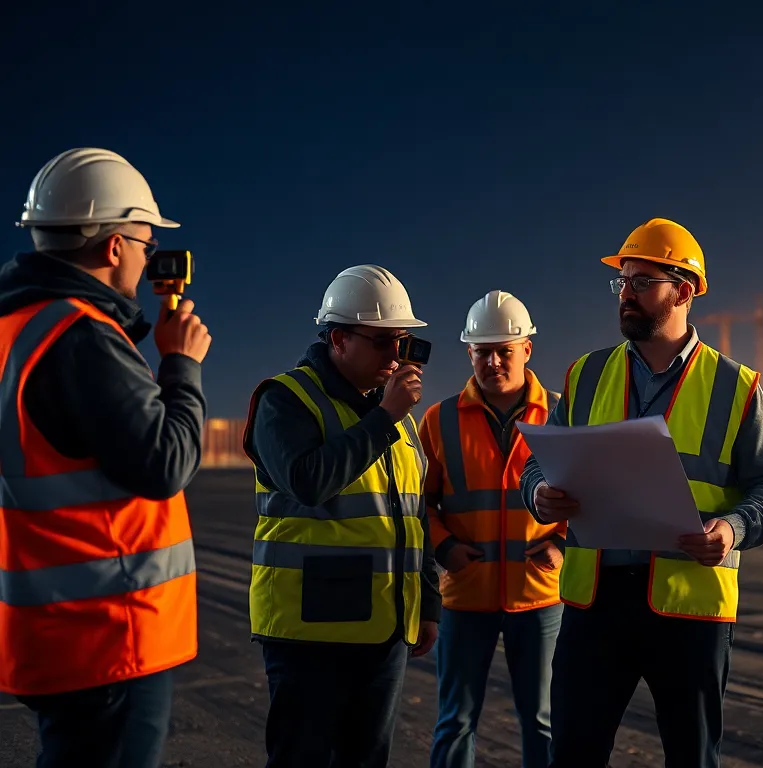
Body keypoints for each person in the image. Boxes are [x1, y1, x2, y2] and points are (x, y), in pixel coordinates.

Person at [520, 217, 763, 768]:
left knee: (691, 757)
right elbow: (536, 464)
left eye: (643, 282)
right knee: (572, 754)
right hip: (595, 602)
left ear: (684, 292)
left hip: (689, 605)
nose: (627, 293)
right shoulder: (585, 375)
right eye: (622, 281)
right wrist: (540, 492)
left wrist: (732, 529)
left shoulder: (736, 386)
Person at [0, 147, 209, 766]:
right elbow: (164, 464)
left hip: (48, 628)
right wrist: (181, 365)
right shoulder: (80, 335)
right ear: (114, 246)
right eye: (146, 243)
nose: (149, 260)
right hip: (109, 633)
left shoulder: (18, 326)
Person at [241, 264, 440, 767]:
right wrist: (383, 419)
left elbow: (412, 513)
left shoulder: (396, 416)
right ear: (338, 339)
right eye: (383, 341)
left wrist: (428, 602)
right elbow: (308, 482)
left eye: (403, 342)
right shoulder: (286, 399)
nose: (396, 356)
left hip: (384, 627)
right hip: (312, 631)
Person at [418, 289, 565, 768]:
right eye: (483, 351)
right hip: (465, 594)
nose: (494, 361)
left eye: (505, 350)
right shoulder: (439, 420)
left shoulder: (562, 415)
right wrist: (444, 548)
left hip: (539, 595)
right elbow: (419, 504)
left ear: (527, 349)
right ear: (469, 353)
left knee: (543, 721)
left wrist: (563, 545)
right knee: (455, 720)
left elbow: (591, 497)